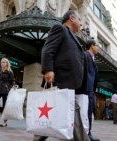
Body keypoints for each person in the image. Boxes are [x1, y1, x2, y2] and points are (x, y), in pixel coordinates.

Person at [38, 10, 90, 141]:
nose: (81, 24)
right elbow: (48, 49)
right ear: (72, 18)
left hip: (71, 83)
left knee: (65, 112)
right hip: (61, 80)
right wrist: (48, 69)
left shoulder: (72, 36)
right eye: (80, 20)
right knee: (70, 111)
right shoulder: (60, 29)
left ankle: (39, 135)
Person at [80, 39, 100, 141]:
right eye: (97, 45)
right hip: (85, 90)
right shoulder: (85, 55)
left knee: (88, 113)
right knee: (86, 113)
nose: (98, 48)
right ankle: (87, 135)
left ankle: (87, 133)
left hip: (90, 90)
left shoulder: (91, 58)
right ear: (92, 46)